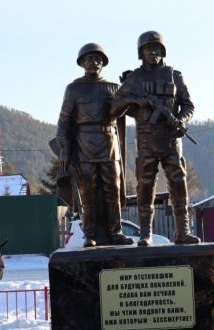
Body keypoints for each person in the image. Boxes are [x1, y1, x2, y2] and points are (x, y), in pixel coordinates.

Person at [111, 31, 200, 246]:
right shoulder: (134, 79)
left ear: (163, 51)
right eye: (148, 49)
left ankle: (182, 232)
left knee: (179, 185)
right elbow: (114, 107)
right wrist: (132, 99)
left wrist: (179, 119)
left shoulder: (175, 76)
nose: (153, 52)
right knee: (145, 186)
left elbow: (189, 105)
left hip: (171, 138)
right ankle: (145, 234)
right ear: (141, 53)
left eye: (157, 48)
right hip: (145, 139)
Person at [56, 43, 134, 248]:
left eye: (98, 59)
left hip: (109, 142)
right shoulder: (74, 89)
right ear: (82, 62)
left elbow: (121, 112)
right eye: (89, 59)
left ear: (103, 63)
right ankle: (89, 234)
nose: (94, 63)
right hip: (84, 144)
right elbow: (64, 120)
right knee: (87, 192)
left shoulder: (113, 88)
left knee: (113, 190)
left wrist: (128, 90)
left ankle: (115, 232)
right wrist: (65, 149)